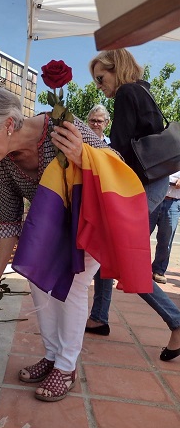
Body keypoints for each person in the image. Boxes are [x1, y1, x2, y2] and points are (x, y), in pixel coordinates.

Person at [0, 86, 112, 402]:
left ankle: (67, 368)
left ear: (8, 125)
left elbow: (116, 161)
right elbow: (9, 221)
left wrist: (84, 156)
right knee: (40, 283)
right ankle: (53, 357)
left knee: (74, 285)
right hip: (53, 231)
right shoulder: (2, 163)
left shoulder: (60, 125)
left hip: (90, 222)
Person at [89, 48, 180, 361]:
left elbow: (122, 147)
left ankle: (177, 320)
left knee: (123, 255)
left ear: (118, 69)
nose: (100, 85)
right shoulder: (143, 90)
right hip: (152, 179)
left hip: (142, 183)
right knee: (108, 247)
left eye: (102, 78)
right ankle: (99, 316)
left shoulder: (128, 92)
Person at [84, 104, 114, 336]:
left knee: (104, 267)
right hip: (83, 210)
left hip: (105, 212)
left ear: (107, 123)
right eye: (92, 120)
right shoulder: (81, 143)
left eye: (100, 121)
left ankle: (99, 317)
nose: (96, 124)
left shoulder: (113, 148)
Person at [150, 171, 180, 284]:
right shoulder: (162, 154)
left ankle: (158, 270)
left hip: (173, 202)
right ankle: (130, 267)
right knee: (140, 237)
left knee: (166, 240)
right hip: (153, 199)